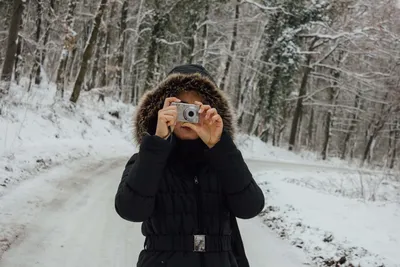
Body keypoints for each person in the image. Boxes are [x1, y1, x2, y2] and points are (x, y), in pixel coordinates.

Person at [115, 64, 265, 267]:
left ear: (213, 112)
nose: (188, 117)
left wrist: (220, 146)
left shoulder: (223, 160)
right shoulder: (147, 159)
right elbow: (130, 210)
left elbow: (250, 207)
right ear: (164, 109)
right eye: (181, 107)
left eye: (197, 109)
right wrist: (157, 144)